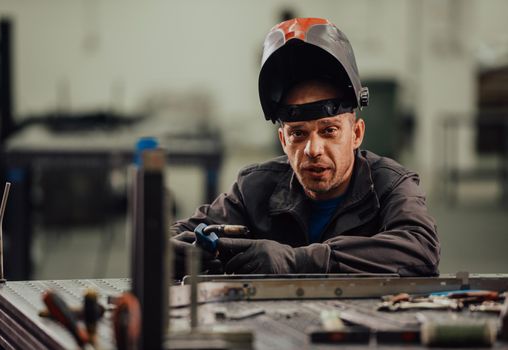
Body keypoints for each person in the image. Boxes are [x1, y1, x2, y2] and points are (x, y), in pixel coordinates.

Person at [171, 18, 440, 278]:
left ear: (356, 134)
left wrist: (298, 261)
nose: (313, 149)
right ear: (283, 141)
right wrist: (171, 252)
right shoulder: (255, 189)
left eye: (329, 131)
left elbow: (421, 249)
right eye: (298, 133)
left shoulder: (390, 185)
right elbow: (175, 236)